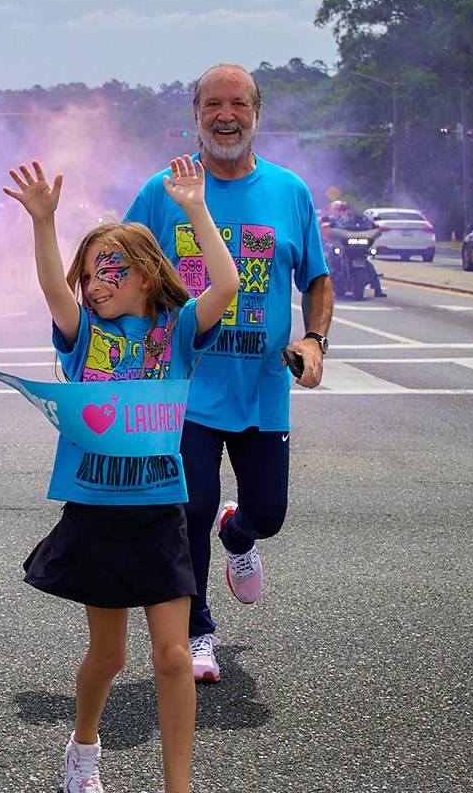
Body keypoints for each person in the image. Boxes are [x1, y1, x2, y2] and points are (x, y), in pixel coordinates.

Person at [3, 155, 238, 793]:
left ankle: (178, 786)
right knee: (109, 656)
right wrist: (44, 224)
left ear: (145, 275)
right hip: (96, 511)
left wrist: (196, 208)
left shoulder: (177, 330)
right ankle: (84, 747)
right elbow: (53, 290)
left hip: (162, 508)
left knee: (172, 658)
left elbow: (226, 285)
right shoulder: (82, 336)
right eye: (89, 275)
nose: (94, 285)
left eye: (108, 271)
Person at [123, 63, 334, 684]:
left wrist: (315, 340)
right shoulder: (161, 190)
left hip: (262, 389)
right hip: (183, 389)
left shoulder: (290, 192)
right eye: (213, 104)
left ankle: (238, 536)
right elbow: (114, 263)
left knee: (269, 512)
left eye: (237, 104)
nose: (225, 115)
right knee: (187, 512)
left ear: (256, 114)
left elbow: (317, 277)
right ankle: (197, 631)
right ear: (195, 115)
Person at [326, 200, 386, 297]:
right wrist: (325, 222)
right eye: (341, 209)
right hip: (343, 245)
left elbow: (369, 223)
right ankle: (326, 283)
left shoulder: (358, 217)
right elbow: (326, 222)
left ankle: (377, 289)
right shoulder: (335, 218)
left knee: (368, 264)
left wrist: (374, 225)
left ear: (349, 209)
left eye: (344, 209)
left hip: (358, 246)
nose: (343, 211)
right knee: (331, 257)